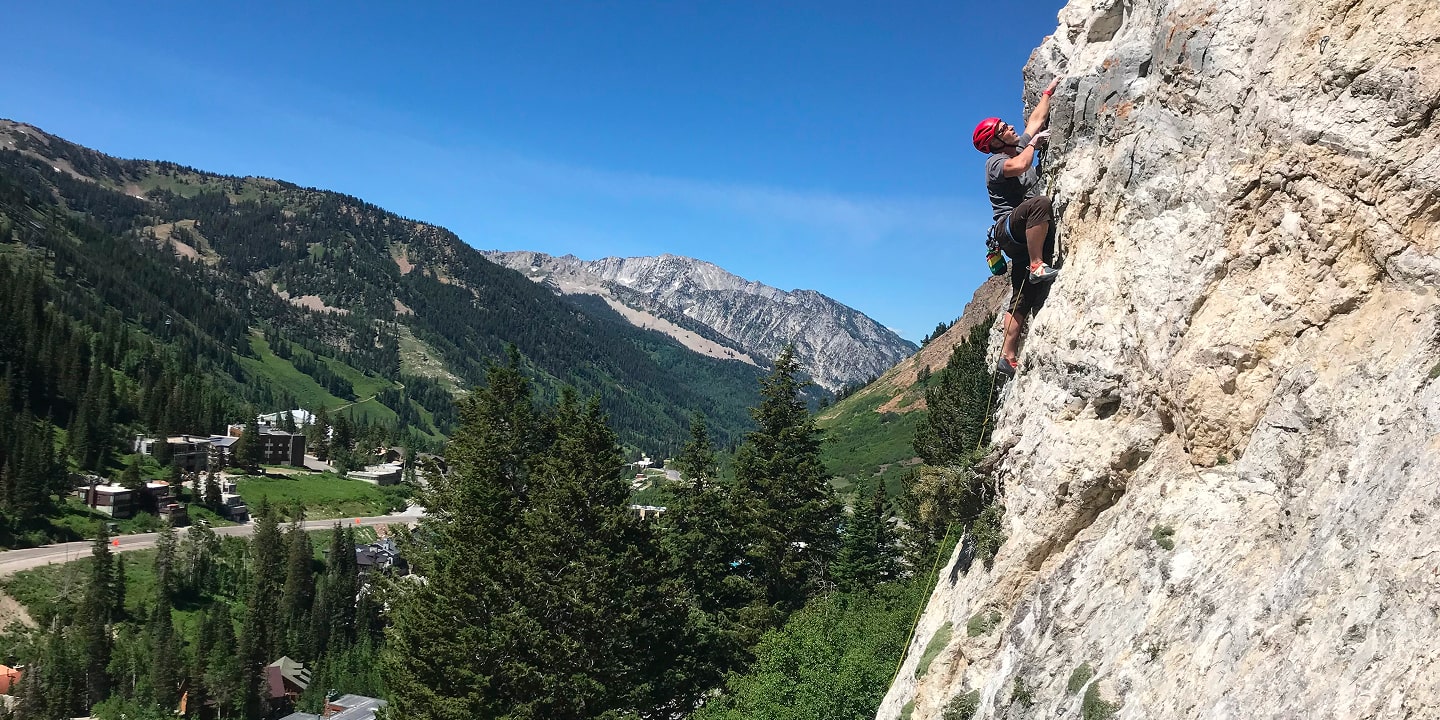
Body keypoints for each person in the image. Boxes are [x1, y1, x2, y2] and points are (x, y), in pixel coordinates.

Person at [972, 77, 1061, 377]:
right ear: (994, 143)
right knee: (1040, 204)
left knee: (1022, 295)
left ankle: (1007, 356)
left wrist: (1048, 92)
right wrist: (1034, 144)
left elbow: (1035, 120)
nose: (1010, 128)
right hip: (1008, 229)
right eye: (1003, 130)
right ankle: (1038, 263)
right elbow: (1022, 165)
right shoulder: (995, 163)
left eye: (1006, 125)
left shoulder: (1017, 146)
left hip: (1020, 234)